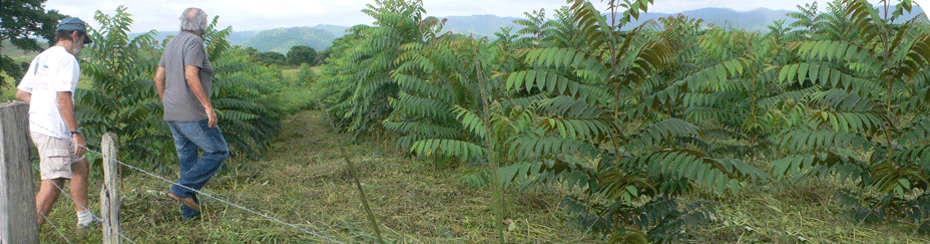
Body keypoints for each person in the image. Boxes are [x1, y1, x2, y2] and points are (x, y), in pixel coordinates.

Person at [15, 17, 97, 229]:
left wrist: (43, 106)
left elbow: (22, 92)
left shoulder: (42, 57)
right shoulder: (68, 60)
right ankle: (26, 234)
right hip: (54, 130)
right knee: (53, 183)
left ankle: (85, 220)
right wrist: (75, 132)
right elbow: (63, 97)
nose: (82, 46)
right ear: (74, 35)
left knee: (80, 164)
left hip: (43, 126)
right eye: (82, 40)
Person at [153, 7, 229, 220]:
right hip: (192, 113)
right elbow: (190, 75)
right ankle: (180, 189)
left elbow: (158, 78)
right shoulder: (194, 43)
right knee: (218, 151)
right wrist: (207, 106)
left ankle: (189, 214)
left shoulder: (173, 42)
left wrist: (167, 102)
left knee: (188, 162)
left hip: (172, 114)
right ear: (203, 25)